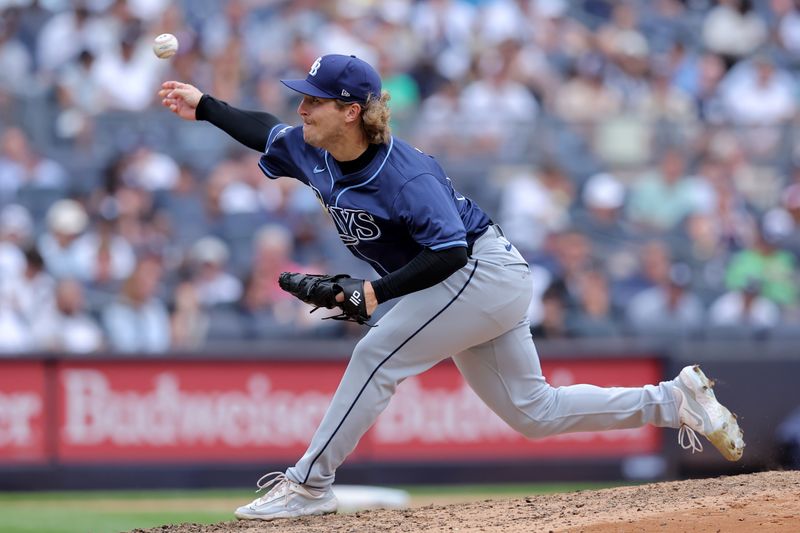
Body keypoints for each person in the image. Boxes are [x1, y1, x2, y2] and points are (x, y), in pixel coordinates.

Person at [159, 54, 745, 522]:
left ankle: (309, 483)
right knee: (533, 412)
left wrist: (375, 295)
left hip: (480, 273)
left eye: (314, 99)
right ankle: (673, 401)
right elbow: (266, 131)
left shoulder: (404, 174)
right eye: (303, 97)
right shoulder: (315, 150)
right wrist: (206, 106)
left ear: (352, 111)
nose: (302, 108)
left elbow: (449, 251)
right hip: (470, 284)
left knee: (375, 351)